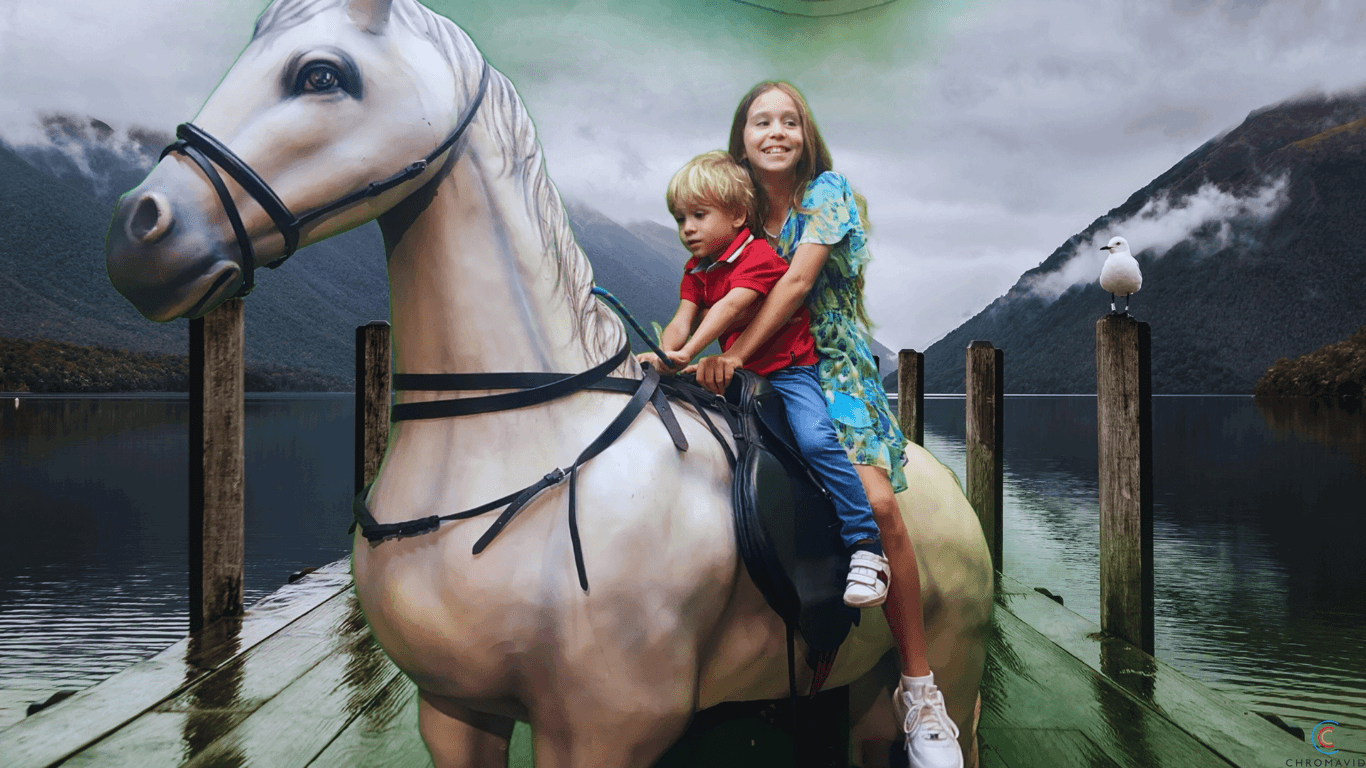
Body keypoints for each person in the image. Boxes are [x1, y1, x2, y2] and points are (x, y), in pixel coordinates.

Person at [693, 83, 963, 768]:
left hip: (830, 369)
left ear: (806, 135)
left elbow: (791, 287)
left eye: (790, 120)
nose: (776, 131)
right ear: (742, 136)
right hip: (759, 370)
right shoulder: (736, 211)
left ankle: (919, 688)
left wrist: (731, 356)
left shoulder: (827, 192)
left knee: (876, 502)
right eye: (761, 121)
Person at [639, 150, 892, 609]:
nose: (687, 229)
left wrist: (688, 353)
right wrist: (662, 356)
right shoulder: (696, 270)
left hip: (791, 371)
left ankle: (865, 543)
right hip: (746, 372)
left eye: (698, 215)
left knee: (815, 440)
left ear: (737, 215)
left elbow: (730, 308)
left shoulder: (756, 255)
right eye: (680, 219)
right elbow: (682, 319)